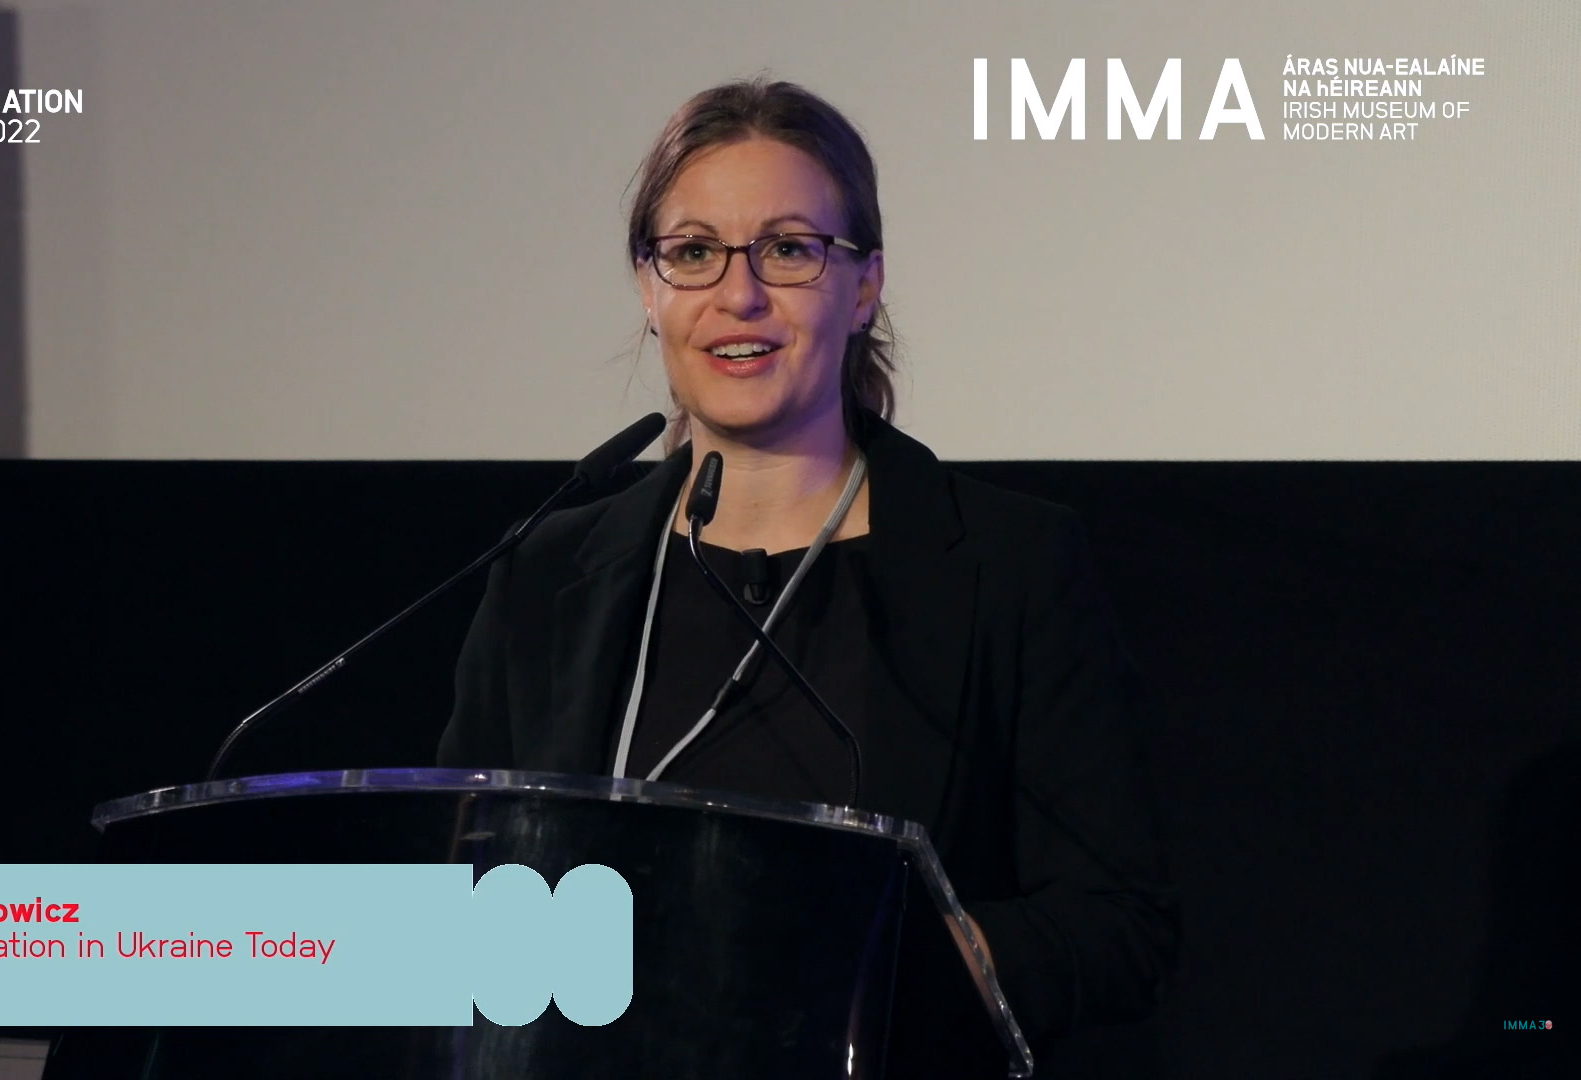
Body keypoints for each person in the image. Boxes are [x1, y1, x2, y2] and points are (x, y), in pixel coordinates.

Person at [436, 77, 1178, 1049]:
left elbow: (1118, 927)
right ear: (649, 290)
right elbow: (449, 906)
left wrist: (854, 959)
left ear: (864, 285)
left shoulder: (1011, 566)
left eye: (788, 249)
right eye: (693, 253)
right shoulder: (545, 579)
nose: (737, 295)